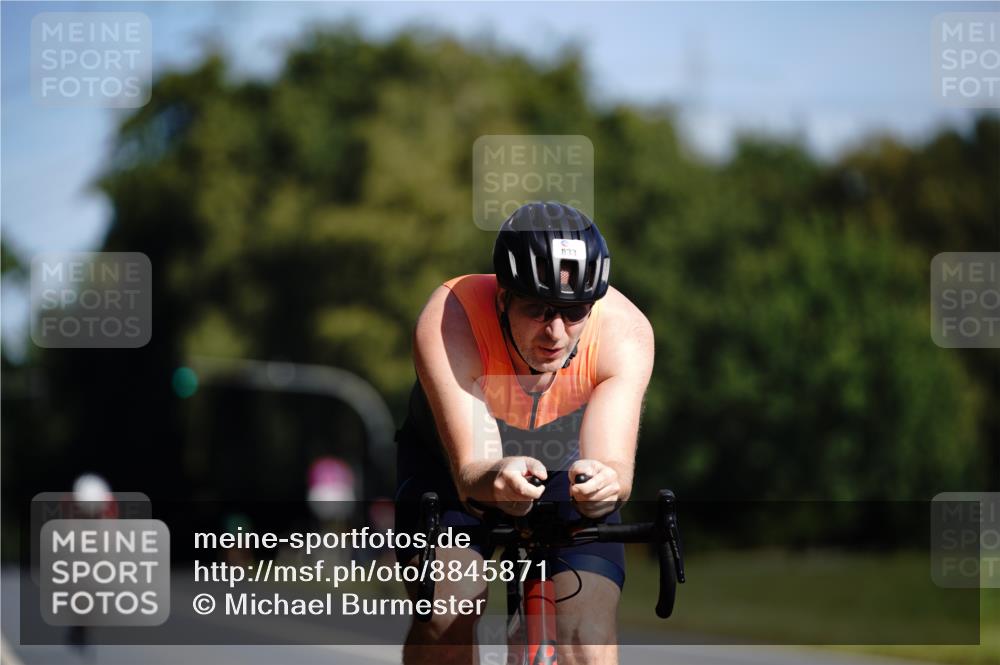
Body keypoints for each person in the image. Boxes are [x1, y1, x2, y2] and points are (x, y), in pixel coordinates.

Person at [394, 201, 654, 665]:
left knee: (587, 638)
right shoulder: (452, 317)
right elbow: (472, 470)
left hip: (562, 467)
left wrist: (605, 484)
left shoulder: (625, 332)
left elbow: (612, 465)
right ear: (502, 298)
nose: (556, 332)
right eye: (537, 309)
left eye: (574, 312)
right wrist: (496, 478)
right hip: (448, 466)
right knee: (449, 611)